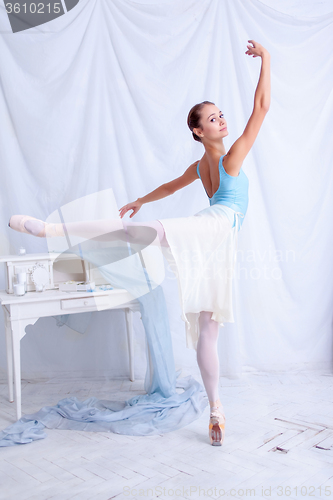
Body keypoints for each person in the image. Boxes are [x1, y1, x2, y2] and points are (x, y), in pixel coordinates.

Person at [8, 40, 270, 446]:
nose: (222, 120)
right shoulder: (224, 159)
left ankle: (217, 410)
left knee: (208, 327)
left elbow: (172, 183)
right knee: (150, 233)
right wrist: (266, 59)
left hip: (220, 246)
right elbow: (262, 109)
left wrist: (142, 200)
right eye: (212, 118)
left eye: (221, 115)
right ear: (198, 131)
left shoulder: (207, 164)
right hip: (216, 229)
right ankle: (51, 231)